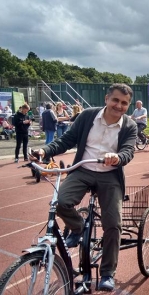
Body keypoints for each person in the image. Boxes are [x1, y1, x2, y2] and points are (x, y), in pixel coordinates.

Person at [30, 83, 137, 291]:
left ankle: (107, 272)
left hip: (110, 175)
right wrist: (44, 151)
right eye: (115, 100)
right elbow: (66, 140)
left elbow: (128, 151)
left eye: (124, 103)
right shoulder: (88, 116)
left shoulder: (129, 126)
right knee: (60, 202)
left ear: (129, 106)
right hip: (83, 169)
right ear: (106, 99)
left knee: (113, 224)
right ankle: (78, 228)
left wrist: (117, 157)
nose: (119, 105)